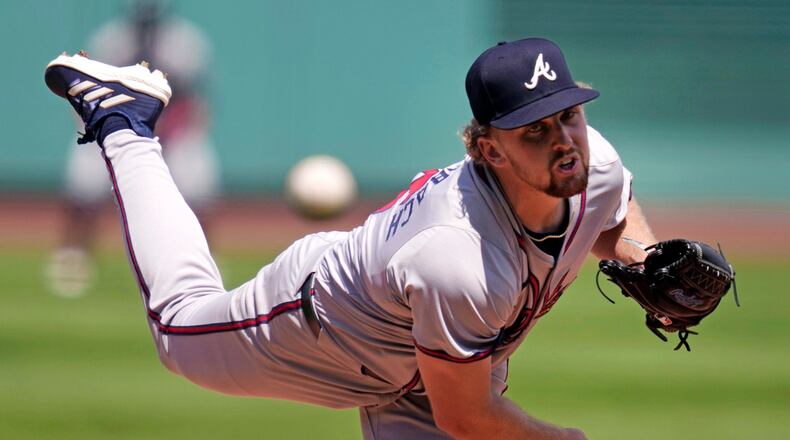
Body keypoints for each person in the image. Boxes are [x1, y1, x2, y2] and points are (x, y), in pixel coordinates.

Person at [45, 37, 657, 439]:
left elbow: (612, 211)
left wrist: (648, 261)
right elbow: (467, 417)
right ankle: (123, 121)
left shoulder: (591, 161)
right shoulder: (457, 258)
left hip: (442, 354)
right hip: (326, 331)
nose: (563, 141)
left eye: (569, 116)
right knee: (178, 331)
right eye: (534, 130)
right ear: (490, 148)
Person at [46, 0, 219, 297]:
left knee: (199, 187)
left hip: (174, 131)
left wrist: (172, 129)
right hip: (110, 126)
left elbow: (197, 101)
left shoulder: (184, 42)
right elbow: (84, 91)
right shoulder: (111, 38)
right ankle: (74, 256)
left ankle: (204, 263)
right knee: (83, 183)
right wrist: (99, 129)